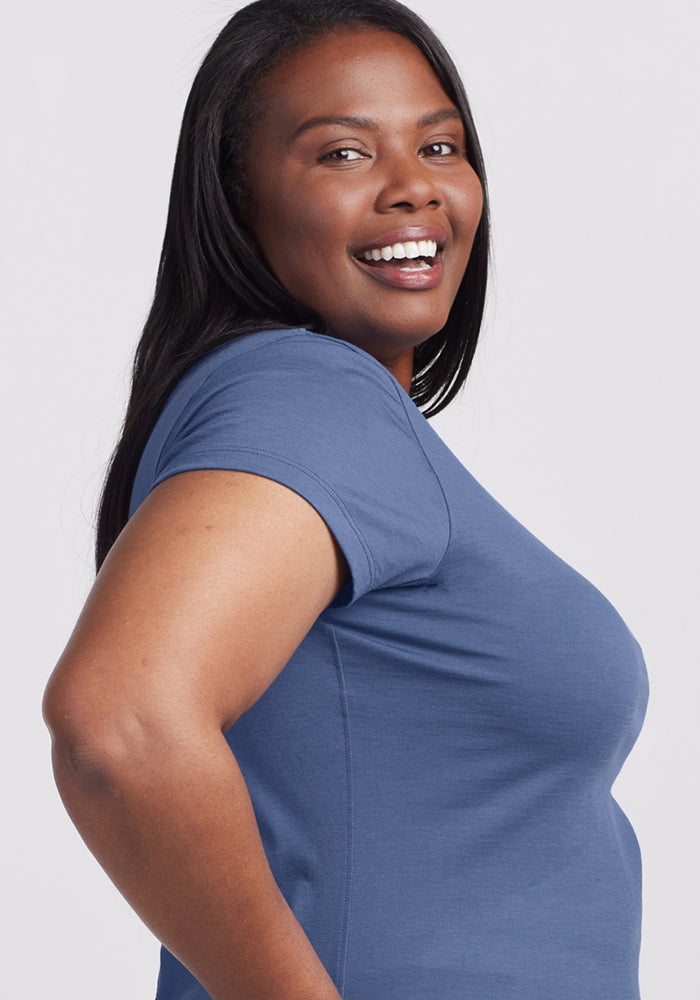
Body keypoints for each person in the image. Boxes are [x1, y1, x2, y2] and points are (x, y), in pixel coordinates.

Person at [42, 1, 648, 998]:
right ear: (238, 202)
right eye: (343, 154)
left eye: (440, 144)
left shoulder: (297, 416)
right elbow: (122, 724)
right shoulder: (308, 392)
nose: (415, 187)